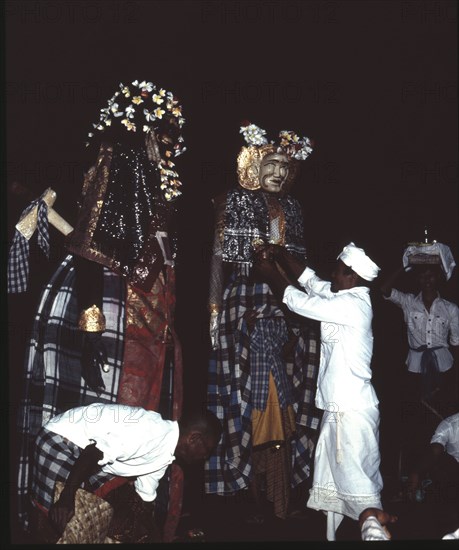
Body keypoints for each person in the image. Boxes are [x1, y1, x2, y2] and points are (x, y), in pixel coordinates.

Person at [11, 79, 187, 541]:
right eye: (163, 134)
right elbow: (94, 248)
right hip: (107, 303)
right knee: (96, 410)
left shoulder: (159, 183)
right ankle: (65, 512)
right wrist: (91, 325)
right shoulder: (118, 165)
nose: (171, 145)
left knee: (143, 415)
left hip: (151, 312)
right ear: (143, 130)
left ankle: (122, 519)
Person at [205, 122, 322, 522]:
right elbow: (222, 262)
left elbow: (296, 266)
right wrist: (215, 313)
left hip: (288, 305)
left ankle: (281, 493)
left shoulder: (293, 208)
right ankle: (247, 492)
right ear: (255, 165)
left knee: (288, 396)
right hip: (246, 305)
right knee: (245, 401)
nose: (279, 173)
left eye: (286, 167)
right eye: (272, 163)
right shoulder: (236, 200)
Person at [253, 241, 383, 540]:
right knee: (334, 483)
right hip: (339, 409)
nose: (333, 278)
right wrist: (280, 253)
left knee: (360, 484)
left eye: (338, 273)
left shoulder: (352, 305)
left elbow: (300, 303)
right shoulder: (345, 295)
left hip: (351, 411)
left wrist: (271, 273)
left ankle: (377, 532)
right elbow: (311, 282)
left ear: (352, 277)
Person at [29, 403, 222, 543]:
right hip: (60, 442)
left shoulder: (165, 454)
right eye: (207, 450)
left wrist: (154, 537)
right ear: (194, 439)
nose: (205, 457)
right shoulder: (151, 432)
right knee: (65, 522)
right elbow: (93, 452)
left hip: (87, 457)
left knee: (119, 514)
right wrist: (66, 497)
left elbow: (145, 500)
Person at [380, 242, 459, 478]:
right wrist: (404, 267)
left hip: (443, 369)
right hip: (414, 369)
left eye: (431, 276)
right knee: (412, 421)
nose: (427, 280)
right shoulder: (408, 302)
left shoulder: (451, 309)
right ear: (418, 279)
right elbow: (384, 289)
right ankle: (410, 475)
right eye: (422, 276)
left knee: (440, 420)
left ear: (437, 279)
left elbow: (456, 342)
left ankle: (437, 475)